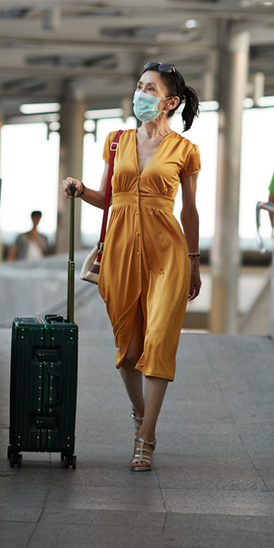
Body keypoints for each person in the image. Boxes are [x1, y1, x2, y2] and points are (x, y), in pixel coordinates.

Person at [60, 62, 202, 472]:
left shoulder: (185, 151)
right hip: (120, 251)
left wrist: (194, 263)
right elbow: (107, 197)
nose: (140, 93)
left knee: (158, 342)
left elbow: (190, 213)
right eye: (139, 86)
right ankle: (141, 413)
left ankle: (146, 437)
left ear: (170, 102)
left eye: (150, 88)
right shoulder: (116, 141)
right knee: (128, 350)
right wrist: (79, 188)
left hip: (168, 253)